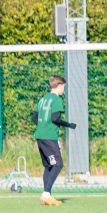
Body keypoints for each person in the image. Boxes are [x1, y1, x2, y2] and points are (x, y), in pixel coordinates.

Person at [31, 75, 75, 206]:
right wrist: (69, 125)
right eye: (63, 87)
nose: (63, 90)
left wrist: (41, 125)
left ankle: (47, 195)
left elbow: (34, 116)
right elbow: (55, 118)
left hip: (40, 135)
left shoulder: (43, 99)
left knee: (49, 165)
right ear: (59, 86)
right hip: (49, 136)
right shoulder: (56, 99)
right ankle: (45, 194)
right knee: (58, 164)